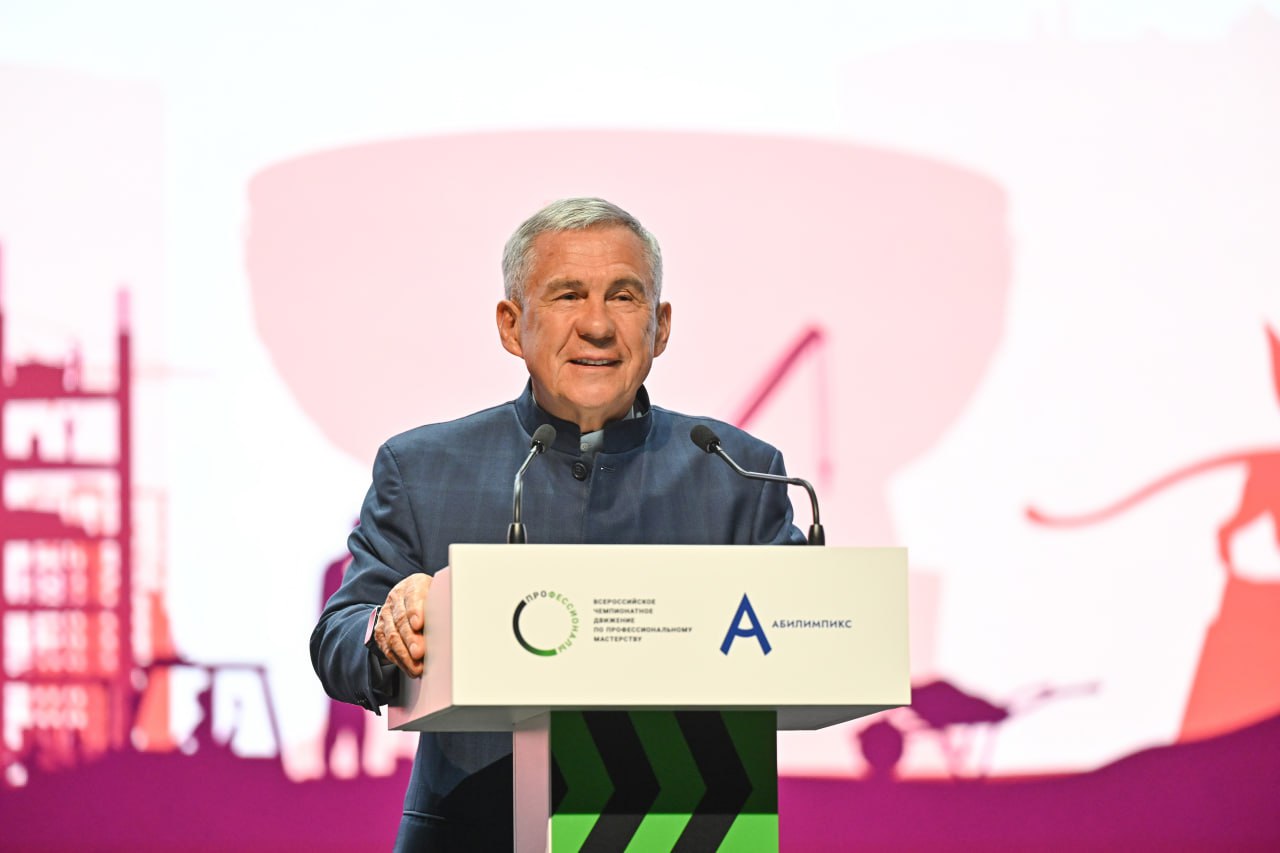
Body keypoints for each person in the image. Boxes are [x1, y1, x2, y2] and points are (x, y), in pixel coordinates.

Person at [311, 197, 805, 850]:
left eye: (623, 297)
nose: (596, 325)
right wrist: (392, 625)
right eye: (568, 295)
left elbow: (805, 637)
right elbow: (340, 639)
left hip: (689, 829)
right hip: (473, 832)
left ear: (660, 327)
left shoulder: (739, 472)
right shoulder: (422, 467)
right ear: (512, 325)